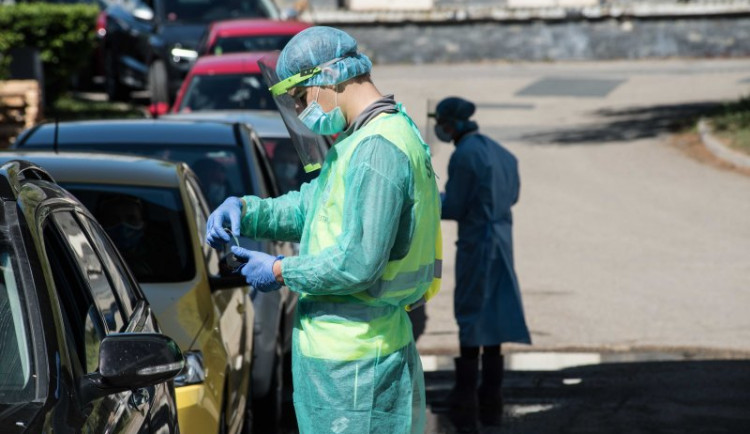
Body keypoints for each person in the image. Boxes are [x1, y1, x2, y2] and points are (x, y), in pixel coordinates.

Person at [205, 26, 443, 433]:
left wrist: (281, 270)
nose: (299, 111)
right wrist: (248, 210)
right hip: (349, 358)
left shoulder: (377, 150)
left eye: (300, 97)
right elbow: (312, 207)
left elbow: (358, 263)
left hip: (357, 365)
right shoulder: (362, 140)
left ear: (329, 76)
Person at [431, 97, 531, 429]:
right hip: (502, 239)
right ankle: (491, 391)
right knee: (495, 310)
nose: (441, 129)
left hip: (478, 241)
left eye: (443, 123)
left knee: (471, 309)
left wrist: (427, 202)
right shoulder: (501, 152)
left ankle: (465, 392)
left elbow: (455, 206)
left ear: (453, 124)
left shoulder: (465, 155)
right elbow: (512, 195)